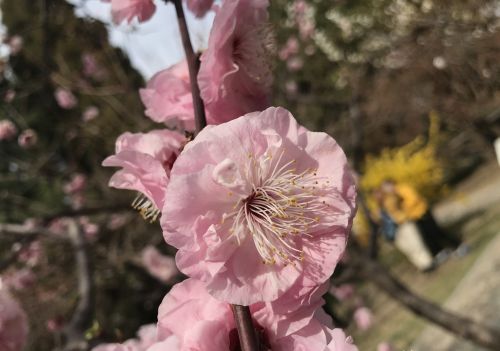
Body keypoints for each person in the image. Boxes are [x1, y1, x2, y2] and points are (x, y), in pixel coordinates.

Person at [380, 179, 467, 265]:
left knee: (435, 231)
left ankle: (458, 245)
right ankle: (440, 252)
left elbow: (413, 199)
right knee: (426, 236)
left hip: (422, 212)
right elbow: (393, 210)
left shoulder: (403, 189)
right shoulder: (391, 197)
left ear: (391, 184)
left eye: (387, 187)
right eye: (385, 188)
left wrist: (403, 208)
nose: (387, 189)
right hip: (413, 217)